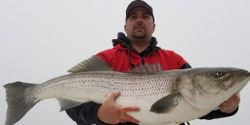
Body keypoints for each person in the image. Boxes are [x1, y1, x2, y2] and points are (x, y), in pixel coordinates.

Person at [66, 0, 240, 125]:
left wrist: (227, 107)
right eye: (133, 17)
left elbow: (197, 104)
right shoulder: (105, 59)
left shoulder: (175, 60)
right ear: (125, 26)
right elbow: (70, 100)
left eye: (145, 16)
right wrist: (99, 115)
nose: (139, 20)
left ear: (153, 25)